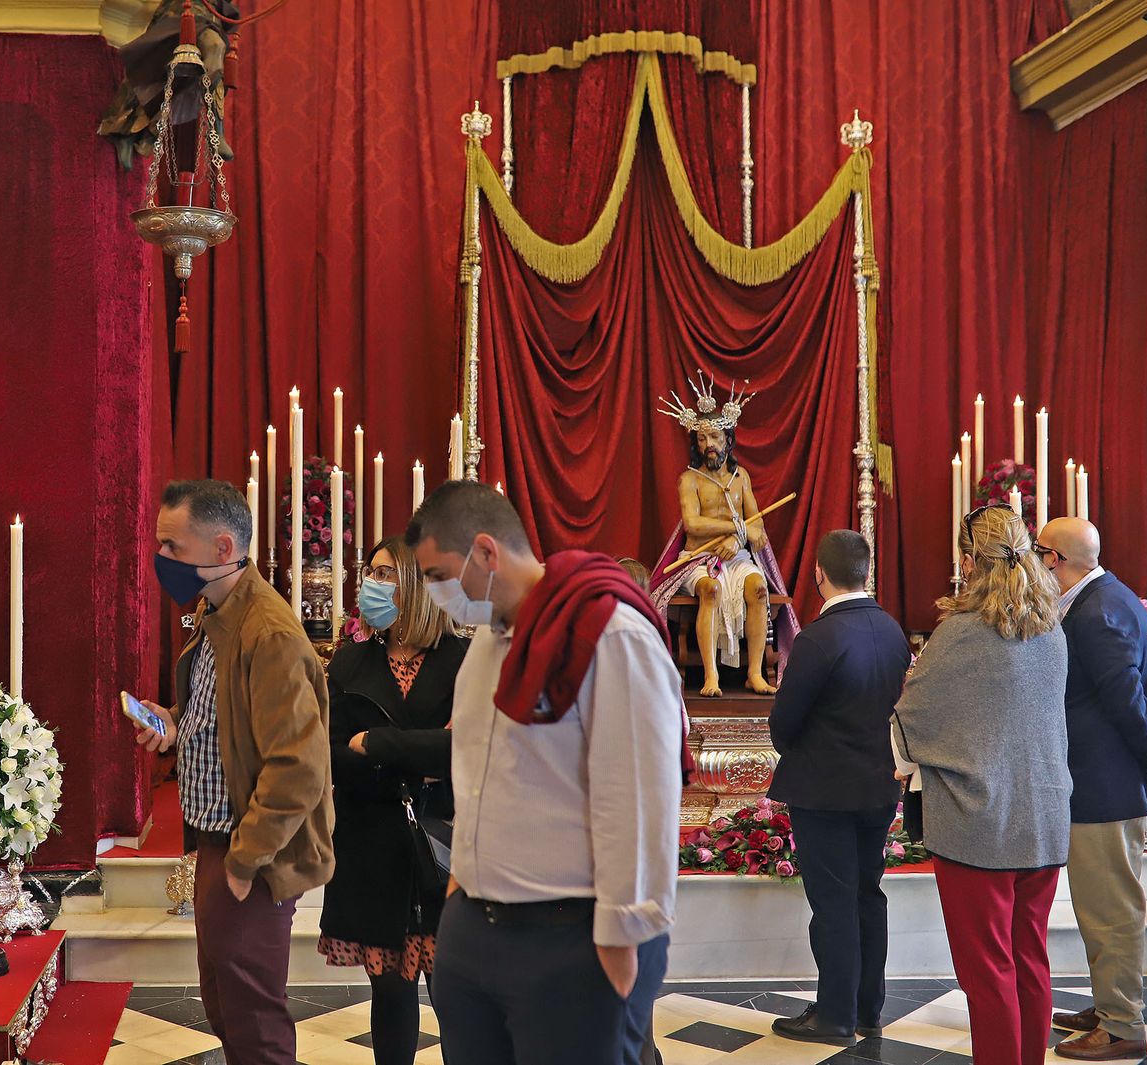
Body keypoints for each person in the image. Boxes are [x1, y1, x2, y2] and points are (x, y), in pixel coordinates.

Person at [406, 480, 683, 1065]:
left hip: (571, 939)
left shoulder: (609, 632)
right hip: (474, 926)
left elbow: (636, 795)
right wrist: (463, 884)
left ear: (486, 553)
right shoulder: (485, 643)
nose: (433, 594)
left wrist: (620, 936)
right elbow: (477, 774)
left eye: (437, 575)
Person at [136, 478, 334, 1065]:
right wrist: (171, 726)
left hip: (250, 849)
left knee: (253, 1018)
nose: (161, 560)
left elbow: (297, 766)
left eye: (173, 547)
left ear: (224, 549)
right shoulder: (218, 613)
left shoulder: (266, 633)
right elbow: (221, 720)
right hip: (217, 841)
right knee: (223, 1000)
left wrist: (247, 861)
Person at [892, 505, 1069, 1065]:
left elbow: (910, 717)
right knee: (1030, 960)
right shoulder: (1051, 629)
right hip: (1042, 817)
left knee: (989, 973)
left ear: (968, 562)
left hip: (980, 824)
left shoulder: (960, 634)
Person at [318, 537, 468, 1065]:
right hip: (373, 843)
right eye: (371, 572)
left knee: (459, 999)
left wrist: (378, 744)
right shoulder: (351, 662)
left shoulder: (463, 658)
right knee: (390, 997)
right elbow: (332, 756)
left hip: (445, 846)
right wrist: (423, 755)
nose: (372, 584)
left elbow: (469, 749)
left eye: (385, 574)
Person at [766, 530, 911, 1046]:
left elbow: (783, 724)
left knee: (833, 903)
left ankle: (834, 1017)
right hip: (879, 787)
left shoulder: (818, 639)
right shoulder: (892, 630)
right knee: (868, 896)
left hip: (824, 792)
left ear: (819, 575)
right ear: (866, 571)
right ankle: (867, 1009)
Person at [1036, 518, 1147, 1061]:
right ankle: (1107, 1004)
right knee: (1095, 906)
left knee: (1110, 911)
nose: (1035, 563)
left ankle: (1123, 1025)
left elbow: (1129, 707)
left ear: (1056, 559)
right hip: (1095, 782)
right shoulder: (1094, 600)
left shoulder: (1099, 611)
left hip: (1107, 786)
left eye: (1039, 553)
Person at [651, 373, 797, 697]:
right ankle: (711, 676)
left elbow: (757, 529)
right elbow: (693, 524)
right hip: (698, 559)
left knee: (759, 588)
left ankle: (755, 674)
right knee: (710, 590)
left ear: (727, 439)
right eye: (702, 439)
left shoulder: (740, 477)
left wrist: (742, 537)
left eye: (715, 438)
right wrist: (737, 528)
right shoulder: (689, 480)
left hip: (737, 555)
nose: (709, 446)